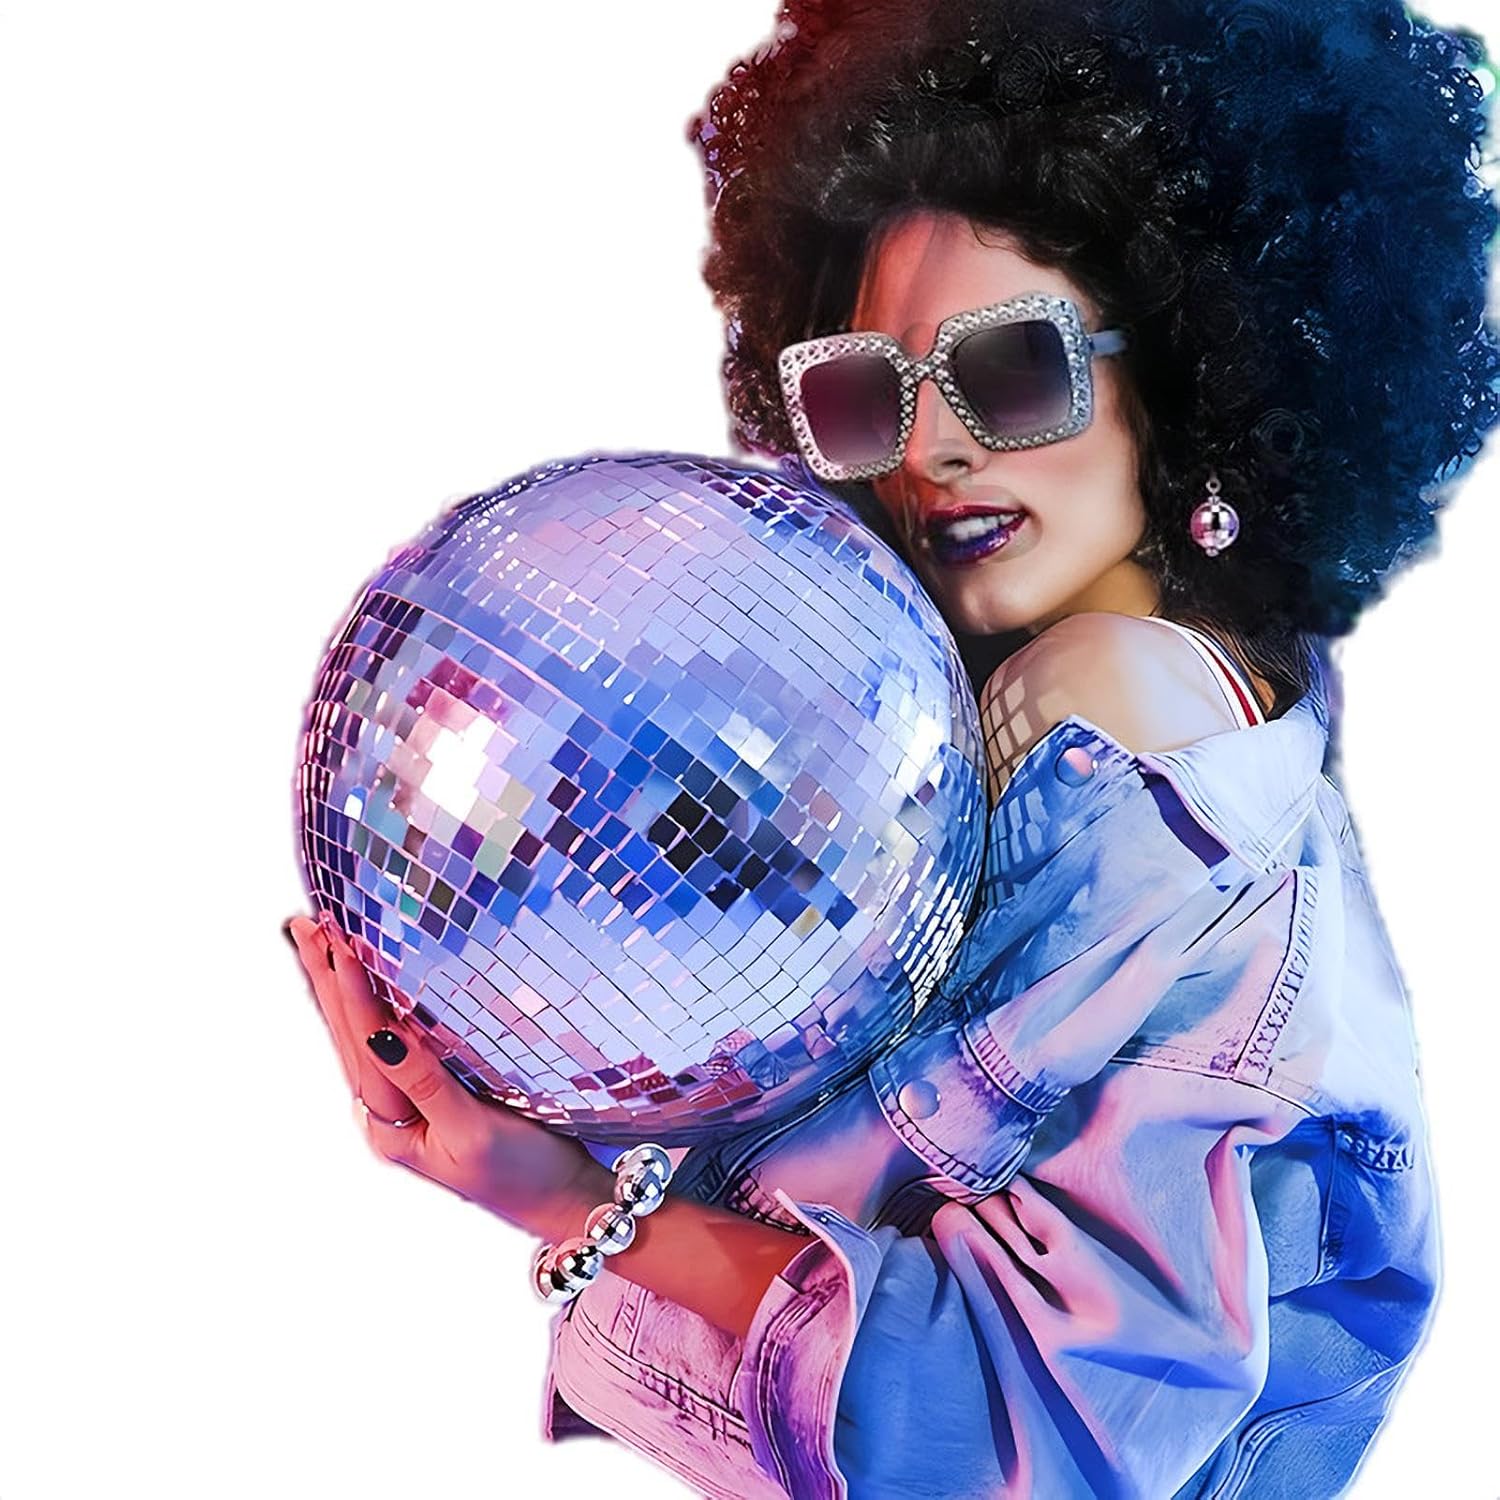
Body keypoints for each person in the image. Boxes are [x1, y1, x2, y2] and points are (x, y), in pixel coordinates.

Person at [284, 0, 1500, 1494]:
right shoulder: (986, 750)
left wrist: (574, 1208)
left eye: (1012, 371)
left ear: (1197, 377)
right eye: (867, 393)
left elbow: (1022, 1435)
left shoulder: (1164, 800)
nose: (930, 451)